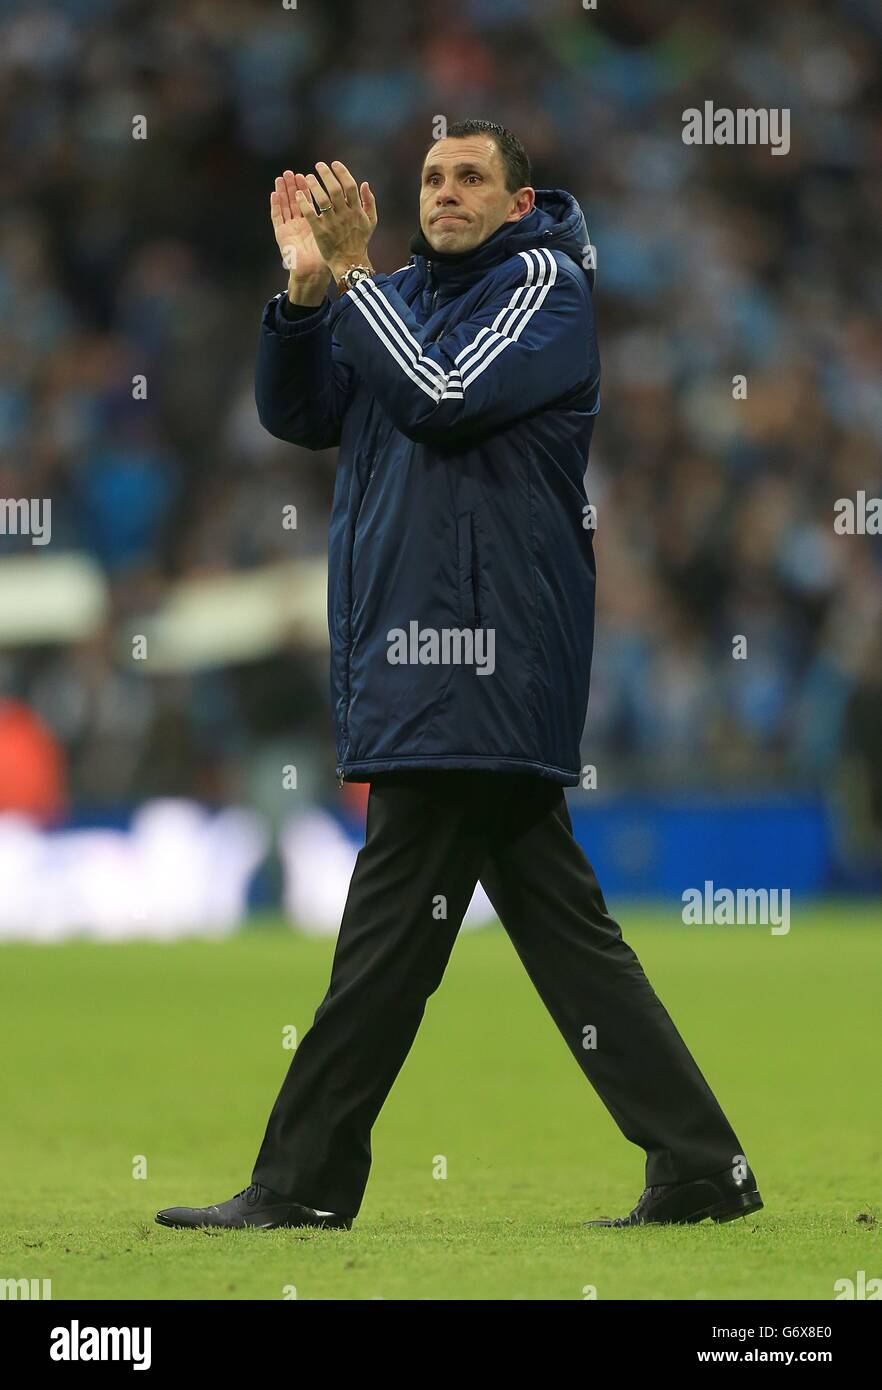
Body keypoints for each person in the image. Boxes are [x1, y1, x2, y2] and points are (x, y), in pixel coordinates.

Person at [155, 120, 761, 1232]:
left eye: (471, 176)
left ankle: (301, 1183)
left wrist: (351, 278)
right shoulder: (404, 301)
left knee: (384, 945)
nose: (444, 192)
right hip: (429, 671)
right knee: (567, 942)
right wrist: (303, 298)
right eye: (432, 176)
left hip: (477, 667)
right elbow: (300, 413)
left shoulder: (543, 287)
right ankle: (698, 1166)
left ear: (519, 204)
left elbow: (437, 396)